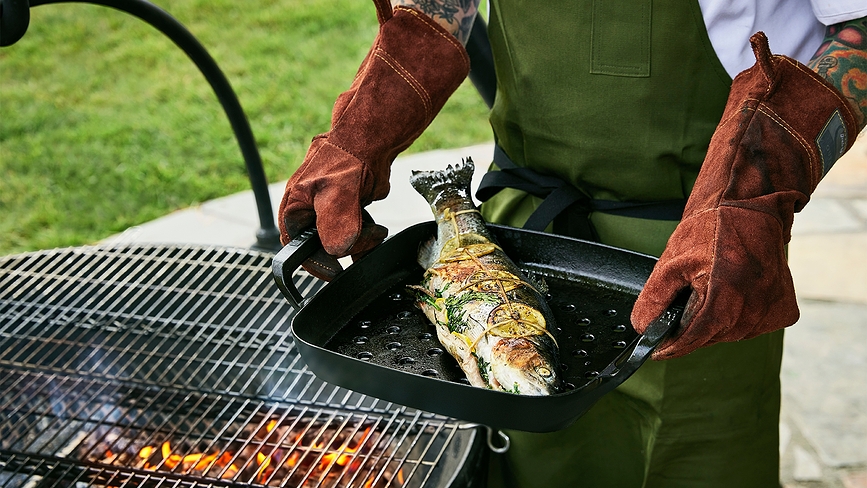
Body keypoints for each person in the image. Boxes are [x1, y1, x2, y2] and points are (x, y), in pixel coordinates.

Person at [278, 0, 867, 486]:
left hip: (705, 260)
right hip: (528, 235)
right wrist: (361, 132)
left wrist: (752, 191)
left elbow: (857, 29)